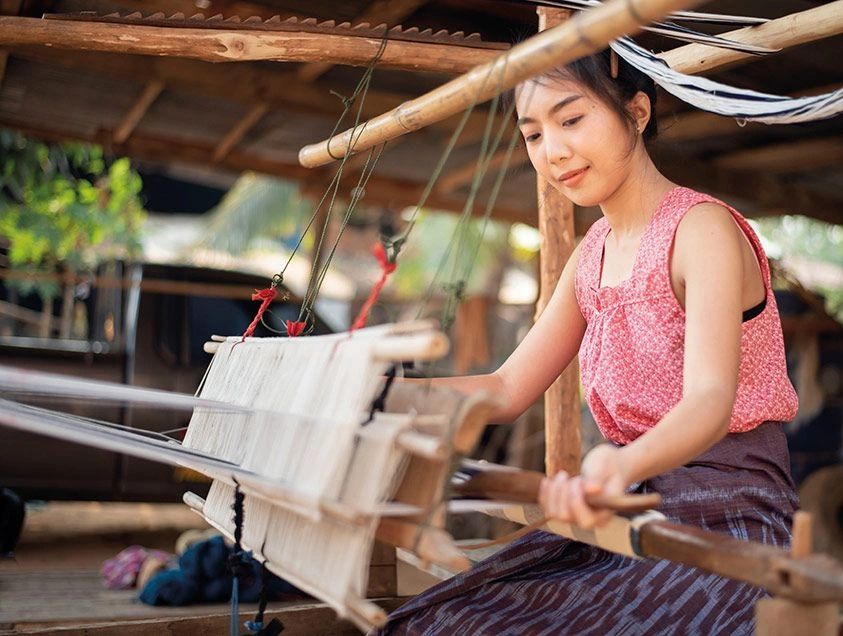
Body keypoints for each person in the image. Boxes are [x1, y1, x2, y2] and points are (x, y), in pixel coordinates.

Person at [377, 49, 799, 635]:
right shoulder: (592, 253)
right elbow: (504, 388)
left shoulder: (702, 230)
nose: (553, 151)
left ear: (638, 111)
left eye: (571, 120)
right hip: (629, 512)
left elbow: (709, 399)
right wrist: (372, 392)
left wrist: (623, 461)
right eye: (532, 134)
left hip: (727, 520)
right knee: (435, 621)